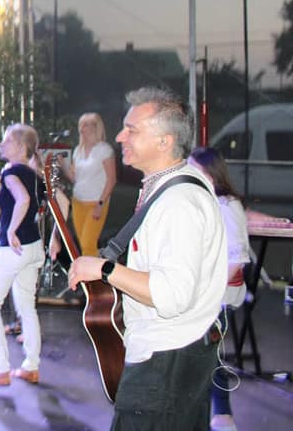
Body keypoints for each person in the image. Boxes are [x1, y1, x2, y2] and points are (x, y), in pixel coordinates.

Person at [68, 87, 226, 431]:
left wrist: (104, 268)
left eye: (132, 130)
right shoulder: (168, 187)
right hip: (174, 357)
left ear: (164, 141)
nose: (120, 136)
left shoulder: (178, 203)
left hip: (165, 364)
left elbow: (170, 295)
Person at [0, 124, 46, 388]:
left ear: (20, 147)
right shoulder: (35, 175)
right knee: (27, 308)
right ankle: (31, 366)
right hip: (33, 247)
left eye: (6, 141)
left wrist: (12, 229)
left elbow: (23, 200)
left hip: (13, 248)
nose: (1, 145)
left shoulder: (10, 172)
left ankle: (0, 369)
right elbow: (58, 203)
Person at [188, 147, 251, 431]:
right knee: (204, 355)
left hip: (218, 297)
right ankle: (218, 414)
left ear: (210, 174)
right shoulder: (207, 202)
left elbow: (237, 259)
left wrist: (211, 291)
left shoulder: (226, 205)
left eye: (194, 168)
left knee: (207, 354)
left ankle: (222, 414)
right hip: (205, 293)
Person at [57, 112, 117, 256]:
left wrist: (100, 205)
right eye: (81, 125)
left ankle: (92, 269)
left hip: (96, 202)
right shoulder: (78, 150)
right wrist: (63, 165)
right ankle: (90, 268)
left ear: (95, 128)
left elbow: (111, 180)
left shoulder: (104, 150)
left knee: (87, 244)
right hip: (78, 202)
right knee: (83, 244)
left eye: (85, 125)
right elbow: (74, 178)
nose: (81, 129)